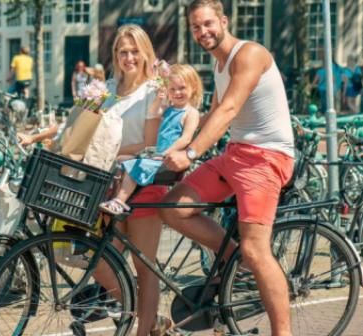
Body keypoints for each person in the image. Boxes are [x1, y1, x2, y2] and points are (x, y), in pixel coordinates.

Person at [160, 1, 295, 335]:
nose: (202, 32)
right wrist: (169, 148)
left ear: (223, 20)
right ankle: (235, 262)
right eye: (195, 27)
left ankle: (283, 332)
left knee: (256, 249)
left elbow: (229, 110)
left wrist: (190, 154)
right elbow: (210, 115)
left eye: (207, 24)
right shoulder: (219, 65)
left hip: (266, 158)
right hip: (235, 155)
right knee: (173, 208)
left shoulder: (249, 55)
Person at [89, 24, 169, 336]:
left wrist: (109, 152)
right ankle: (148, 317)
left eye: (135, 51)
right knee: (96, 260)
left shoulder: (153, 91)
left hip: (144, 183)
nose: (128, 57)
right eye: (122, 52)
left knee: (143, 266)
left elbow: (150, 144)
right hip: (109, 184)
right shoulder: (107, 90)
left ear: (146, 53)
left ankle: (144, 328)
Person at [99, 64, 201, 215]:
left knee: (133, 165)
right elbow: (154, 112)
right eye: (172, 89)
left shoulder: (190, 113)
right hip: (156, 154)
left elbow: (186, 139)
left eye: (182, 88)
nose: (177, 93)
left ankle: (120, 202)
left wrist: (166, 153)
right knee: (121, 160)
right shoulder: (169, 109)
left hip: (167, 159)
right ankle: (117, 194)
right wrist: (158, 99)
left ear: (193, 87)